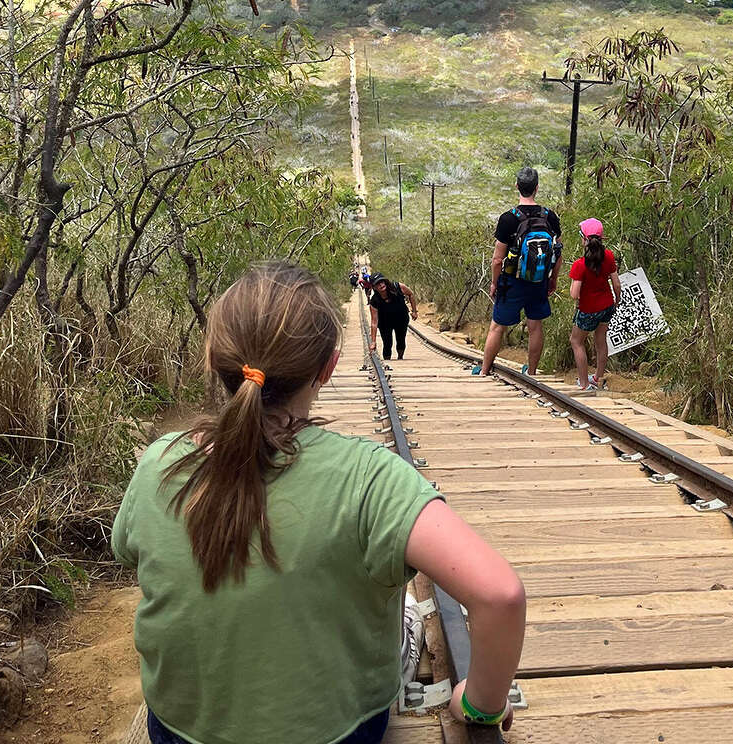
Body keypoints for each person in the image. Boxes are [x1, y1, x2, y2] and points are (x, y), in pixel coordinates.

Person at [112, 262, 525, 744]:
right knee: (408, 612)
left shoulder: (160, 463)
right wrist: (478, 705)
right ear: (328, 368)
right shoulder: (370, 477)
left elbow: (131, 555)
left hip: (181, 731)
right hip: (338, 733)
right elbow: (500, 595)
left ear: (213, 358)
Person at [472, 166, 562, 377]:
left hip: (512, 280)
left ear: (517, 187)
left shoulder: (508, 219)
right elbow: (557, 253)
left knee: (497, 327)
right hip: (539, 279)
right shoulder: (550, 216)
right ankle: (531, 371)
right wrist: (552, 279)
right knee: (535, 326)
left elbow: (497, 259)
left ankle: (484, 371)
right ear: (537, 188)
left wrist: (495, 283)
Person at [568, 218, 622, 391]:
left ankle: (584, 383)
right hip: (607, 306)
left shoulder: (579, 265)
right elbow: (616, 284)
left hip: (588, 309)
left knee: (576, 341)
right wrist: (617, 300)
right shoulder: (609, 256)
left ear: (584, 239)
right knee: (601, 341)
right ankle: (597, 378)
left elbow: (574, 294)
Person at [368, 273, 418, 359]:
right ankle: (387, 360)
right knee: (387, 343)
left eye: (382, 282)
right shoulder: (374, 301)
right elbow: (374, 322)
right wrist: (373, 342)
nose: (381, 285)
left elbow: (411, 294)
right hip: (385, 322)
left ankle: (400, 358)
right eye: (377, 284)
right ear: (374, 287)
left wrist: (414, 311)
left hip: (401, 319)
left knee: (401, 340)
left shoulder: (398, 287)